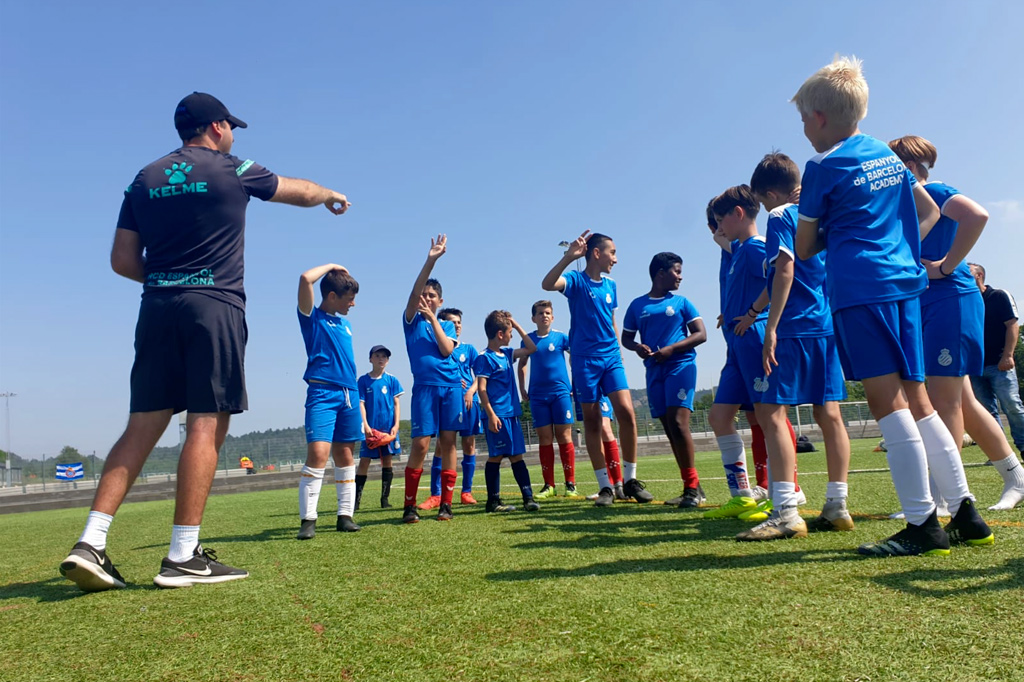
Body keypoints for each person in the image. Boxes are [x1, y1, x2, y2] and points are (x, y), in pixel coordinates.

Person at [59, 92, 351, 591]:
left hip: (156, 307)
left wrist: (170, 279)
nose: (234, 134)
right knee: (205, 423)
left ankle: (91, 542)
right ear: (216, 127)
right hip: (213, 305)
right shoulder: (231, 167)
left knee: (141, 426)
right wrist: (328, 193)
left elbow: (123, 261)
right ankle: (181, 554)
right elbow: (295, 190)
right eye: (231, 126)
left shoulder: (143, 177)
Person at [793, 56, 992, 556]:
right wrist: (897, 248)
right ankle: (966, 511)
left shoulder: (821, 165)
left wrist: (847, 235)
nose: (803, 130)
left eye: (802, 120)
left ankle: (924, 522)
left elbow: (804, 246)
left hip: (859, 290)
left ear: (819, 117)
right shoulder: (886, 155)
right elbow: (926, 210)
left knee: (888, 404)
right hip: (905, 286)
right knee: (921, 401)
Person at [887, 138, 1024, 511]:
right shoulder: (907, 204)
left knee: (942, 403)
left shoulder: (932, 190)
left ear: (910, 165)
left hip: (950, 300)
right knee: (963, 401)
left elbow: (977, 215)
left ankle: (946, 496)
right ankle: (1016, 478)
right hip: (934, 303)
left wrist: (946, 266)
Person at [740, 152, 853, 541]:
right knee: (830, 414)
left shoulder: (780, 216)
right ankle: (837, 505)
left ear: (771, 193)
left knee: (770, 413)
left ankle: (786, 511)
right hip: (826, 325)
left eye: (762, 199)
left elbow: (783, 269)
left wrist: (769, 327)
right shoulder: (817, 216)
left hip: (794, 327)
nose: (763, 207)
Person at [541, 231, 654, 506]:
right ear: (596, 253)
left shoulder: (611, 285)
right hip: (584, 361)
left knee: (627, 414)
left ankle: (629, 481)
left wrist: (618, 349)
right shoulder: (576, 281)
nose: (616, 258)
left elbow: (611, 318)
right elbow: (547, 284)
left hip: (611, 358)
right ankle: (605, 486)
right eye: (612, 252)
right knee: (591, 422)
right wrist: (569, 256)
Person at [706, 202, 799, 508]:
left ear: (738, 214)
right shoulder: (740, 249)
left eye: (722, 221)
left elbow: (781, 277)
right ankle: (742, 495)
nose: (720, 228)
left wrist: (752, 313)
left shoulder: (756, 246)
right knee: (719, 417)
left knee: (769, 413)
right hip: (736, 344)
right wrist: (731, 312)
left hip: (754, 336)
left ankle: (790, 489)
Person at [621, 252, 708, 508]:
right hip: (654, 370)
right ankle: (693, 487)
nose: (680, 277)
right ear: (660, 273)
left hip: (680, 365)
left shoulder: (682, 302)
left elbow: (701, 334)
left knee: (680, 424)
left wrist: (672, 349)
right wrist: (637, 347)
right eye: (676, 271)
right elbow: (626, 338)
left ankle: (691, 489)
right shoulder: (638, 305)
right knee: (670, 428)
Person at [294, 265, 362, 540]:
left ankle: (345, 516)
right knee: (319, 455)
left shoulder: (345, 325)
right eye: (349, 298)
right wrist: (332, 266)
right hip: (322, 394)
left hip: (350, 394)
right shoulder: (313, 318)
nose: (353, 303)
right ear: (332, 296)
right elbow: (305, 279)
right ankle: (308, 520)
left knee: (345, 456)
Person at [401, 236, 461, 523]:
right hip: (425, 389)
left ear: (440, 301)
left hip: (450, 389)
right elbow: (414, 294)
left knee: (448, 442)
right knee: (421, 444)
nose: (426, 299)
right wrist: (431, 259)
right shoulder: (411, 321)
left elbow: (446, 349)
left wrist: (435, 319)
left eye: (431, 296)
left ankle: (446, 505)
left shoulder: (447, 324)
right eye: (423, 296)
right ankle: (409, 505)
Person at [473, 311, 539, 512]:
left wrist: (517, 325)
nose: (512, 336)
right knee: (497, 456)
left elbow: (531, 348)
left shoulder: (508, 354)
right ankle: (493, 501)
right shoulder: (484, 358)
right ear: (500, 334)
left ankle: (528, 498)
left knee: (517, 455)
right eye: (510, 332)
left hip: (512, 414)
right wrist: (491, 414)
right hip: (497, 415)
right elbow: (482, 388)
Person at [420, 308, 483, 510]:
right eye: (452, 322)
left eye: (459, 322)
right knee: (442, 446)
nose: (456, 325)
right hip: (448, 401)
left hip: (468, 403)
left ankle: (466, 492)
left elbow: (480, 376)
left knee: (469, 445)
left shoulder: (469, 349)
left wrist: (470, 393)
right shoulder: (439, 349)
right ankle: (436, 495)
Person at [517, 300, 580, 498]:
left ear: (552, 317)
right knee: (545, 439)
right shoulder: (528, 340)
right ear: (533, 318)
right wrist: (522, 388)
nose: (544, 316)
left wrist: (574, 380)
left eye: (548, 313)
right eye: (540, 313)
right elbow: (522, 364)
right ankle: (548, 485)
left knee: (565, 436)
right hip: (537, 395)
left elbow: (575, 356)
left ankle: (570, 483)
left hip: (561, 392)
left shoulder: (561, 337)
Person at [969, 263, 1024, 460]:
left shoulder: (999, 296)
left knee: (1012, 405)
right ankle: (1002, 455)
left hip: (1000, 364)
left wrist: (1008, 355)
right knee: (986, 412)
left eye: (968, 273)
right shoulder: (965, 300)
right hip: (974, 367)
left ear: (980, 275)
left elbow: (1012, 325)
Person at [355, 345, 403, 510]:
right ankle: (356, 501)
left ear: (388, 360)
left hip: (388, 429)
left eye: (384, 356)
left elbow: (396, 404)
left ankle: (384, 499)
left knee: (387, 460)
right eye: (377, 356)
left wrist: (396, 425)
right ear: (370, 359)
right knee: (364, 461)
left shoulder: (392, 380)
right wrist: (365, 425)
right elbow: (360, 403)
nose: (381, 359)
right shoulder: (363, 380)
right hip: (371, 429)